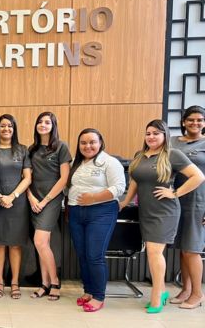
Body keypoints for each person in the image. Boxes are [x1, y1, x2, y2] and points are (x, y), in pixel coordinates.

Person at [120, 119, 204, 313]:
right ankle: (163, 291)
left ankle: (157, 295)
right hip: (146, 211)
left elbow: (198, 176)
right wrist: (125, 202)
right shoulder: (140, 156)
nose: (151, 137)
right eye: (148, 133)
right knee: (151, 250)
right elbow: (135, 182)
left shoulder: (173, 154)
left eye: (156, 133)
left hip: (165, 211)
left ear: (165, 135)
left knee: (154, 252)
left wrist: (174, 193)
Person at [67, 128, 126, 312]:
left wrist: (93, 198)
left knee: (94, 255)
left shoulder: (110, 162)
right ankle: (89, 291)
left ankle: (99, 296)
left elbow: (119, 188)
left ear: (100, 143)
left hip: (101, 212)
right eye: (83, 143)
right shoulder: (77, 164)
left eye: (92, 142)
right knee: (83, 255)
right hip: (76, 213)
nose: (88, 146)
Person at [0, 114, 32, 299]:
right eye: (3, 126)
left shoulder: (22, 150)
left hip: (17, 204)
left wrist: (12, 196)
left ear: (14, 129)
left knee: (15, 245)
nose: (6, 129)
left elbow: (28, 177)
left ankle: (14, 283)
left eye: (10, 126)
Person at [27, 111, 71, 301]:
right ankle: (44, 284)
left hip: (51, 201)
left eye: (47, 122)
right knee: (41, 244)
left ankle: (54, 282)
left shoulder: (61, 147)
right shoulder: (31, 149)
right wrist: (31, 198)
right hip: (34, 201)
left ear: (53, 126)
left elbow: (64, 179)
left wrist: (45, 201)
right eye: (40, 122)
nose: (43, 125)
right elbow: (26, 178)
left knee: (40, 241)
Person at [170, 106, 205, 309]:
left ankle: (198, 294)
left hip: (198, 202)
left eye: (199, 120)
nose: (195, 123)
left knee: (192, 249)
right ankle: (186, 289)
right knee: (183, 249)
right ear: (183, 122)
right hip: (176, 202)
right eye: (191, 120)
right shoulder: (173, 142)